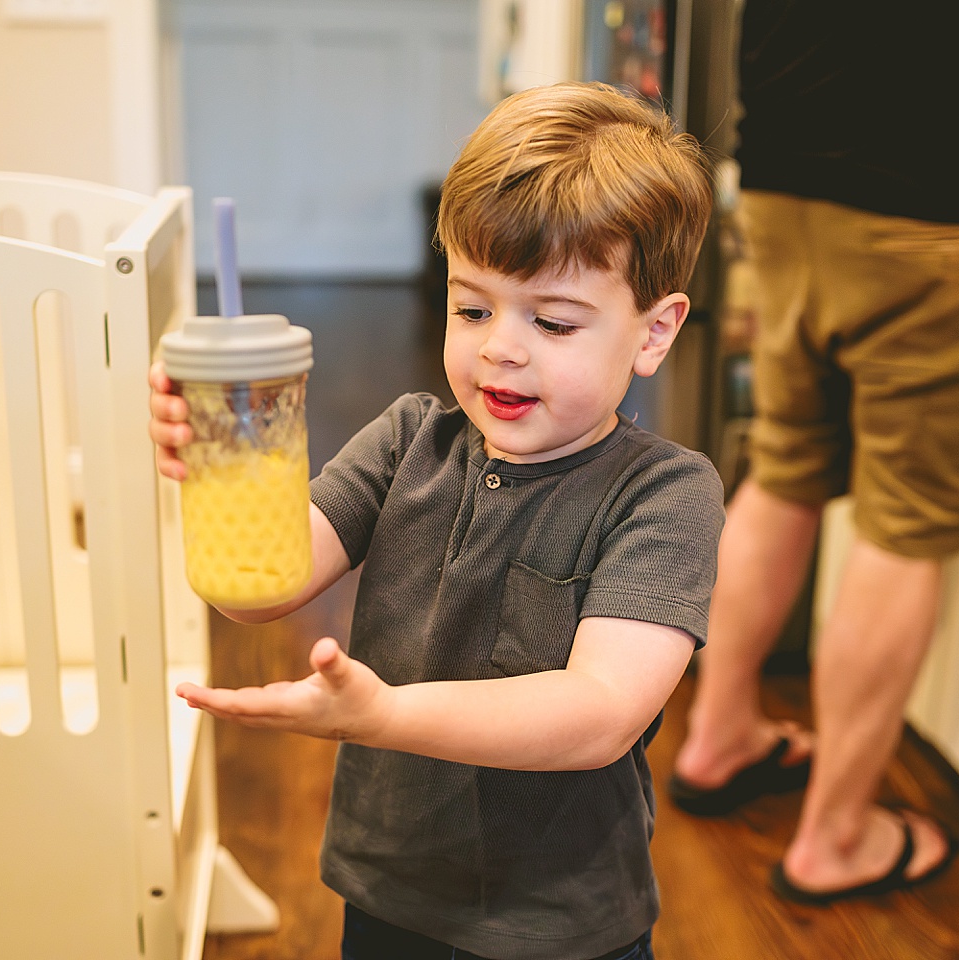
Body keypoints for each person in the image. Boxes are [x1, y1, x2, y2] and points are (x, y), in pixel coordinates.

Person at [150, 81, 721, 960]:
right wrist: (218, 468)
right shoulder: (408, 439)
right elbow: (260, 591)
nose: (501, 346)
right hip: (387, 896)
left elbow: (601, 711)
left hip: (563, 928)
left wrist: (383, 717)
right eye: (472, 307)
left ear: (653, 331)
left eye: (554, 322)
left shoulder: (664, 497)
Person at [667, 0, 959, 904]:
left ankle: (717, 735)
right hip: (947, 178)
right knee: (905, 526)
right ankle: (836, 835)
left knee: (785, 466)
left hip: (785, 162)